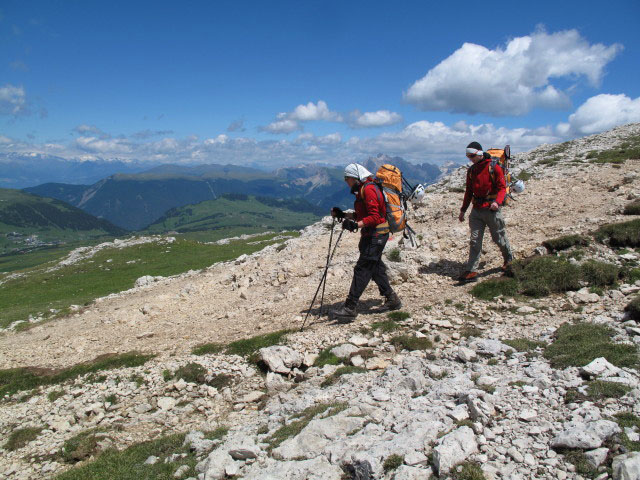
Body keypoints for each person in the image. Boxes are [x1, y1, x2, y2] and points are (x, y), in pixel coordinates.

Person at [330, 163, 402, 319]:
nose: (346, 182)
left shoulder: (368, 189)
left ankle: (350, 308)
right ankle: (392, 299)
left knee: (362, 269)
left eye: (347, 179)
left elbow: (375, 217)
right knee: (375, 267)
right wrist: (344, 215)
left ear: (354, 177)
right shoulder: (364, 188)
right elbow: (365, 214)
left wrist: (356, 225)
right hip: (373, 234)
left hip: (376, 235)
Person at [458, 142, 514, 283]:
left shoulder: (493, 167)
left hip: (491, 209)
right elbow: (468, 192)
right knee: (475, 240)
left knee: (498, 238)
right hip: (476, 210)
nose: (469, 159)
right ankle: (471, 270)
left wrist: (497, 202)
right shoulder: (471, 171)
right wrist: (463, 210)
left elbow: (502, 188)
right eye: (468, 156)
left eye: (471, 156)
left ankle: (509, 258)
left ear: (479, 153)